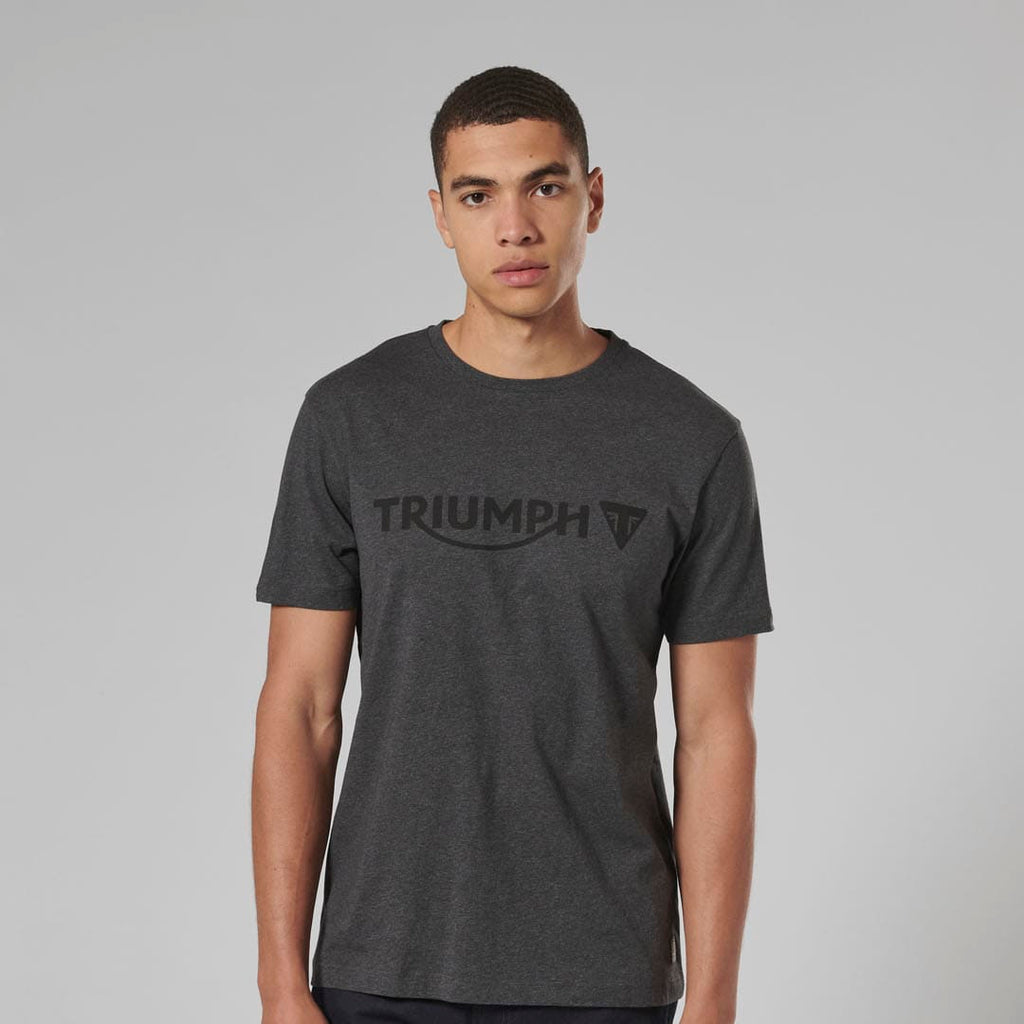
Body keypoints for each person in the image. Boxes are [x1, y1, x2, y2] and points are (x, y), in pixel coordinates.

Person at [252, 65, 774, 1024]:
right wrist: (280, 982)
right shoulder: (350, 418)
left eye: (545, 186)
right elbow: (301, 707)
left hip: (602, 973)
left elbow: (714, 733)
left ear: (593, 198)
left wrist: (715, 999)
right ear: (440, 216)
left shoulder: (690, 439)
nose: (516, 227)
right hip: (379, 963)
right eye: (477, 195)